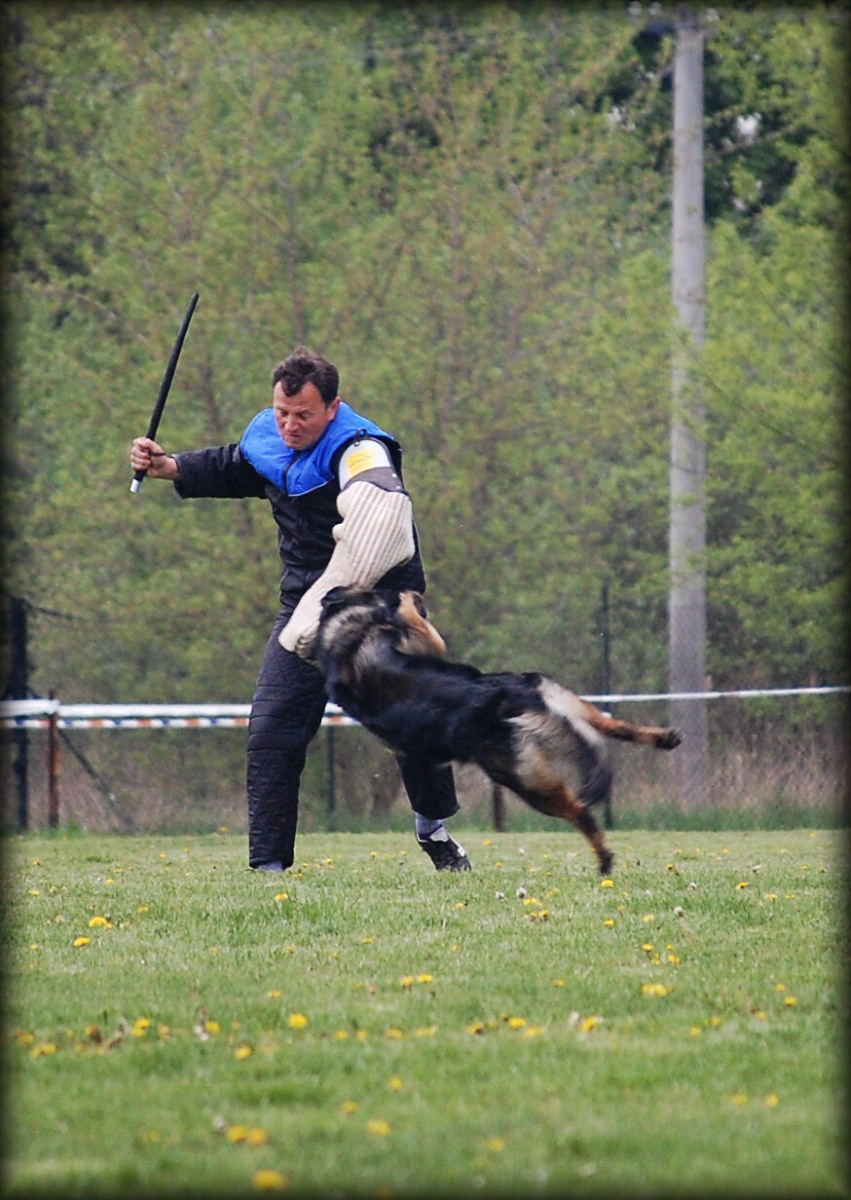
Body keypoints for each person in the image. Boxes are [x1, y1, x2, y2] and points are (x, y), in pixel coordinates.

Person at [130, 346, 471, 873]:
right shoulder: (271, 433)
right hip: (305, 607)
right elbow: (236, 467)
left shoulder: (360, 447)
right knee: (271, 731)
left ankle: (433, 830)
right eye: (282, 413)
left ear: (332, 409)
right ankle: (269, 873)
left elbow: (376, 486)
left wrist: (371, 503)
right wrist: (169, 466)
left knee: (410, 722)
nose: (289, 426)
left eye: (304, 416)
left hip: (379, 599)